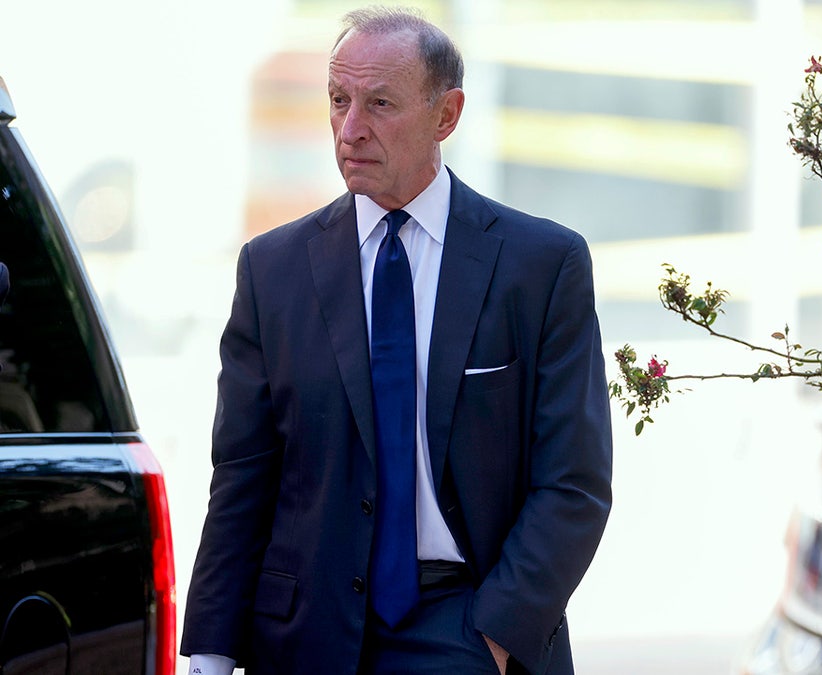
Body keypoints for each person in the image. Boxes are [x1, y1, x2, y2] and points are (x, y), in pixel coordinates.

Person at [179, 7, 613, 674]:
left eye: (379, 103)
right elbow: (242, 477)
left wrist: (491, 640)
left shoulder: (541, 266)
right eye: (338, 100)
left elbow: (573, 483)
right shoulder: (271, 271)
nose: (350, 129)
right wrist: (210, 652)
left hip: (465, 625)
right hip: (304, 636)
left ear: (447, 115)